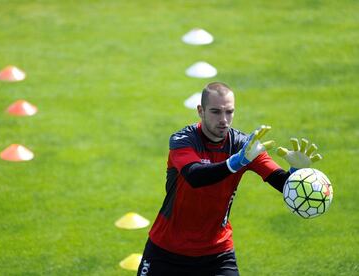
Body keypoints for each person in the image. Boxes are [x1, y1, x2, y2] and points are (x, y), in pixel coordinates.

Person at [137, 82, 322, 276]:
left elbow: (282, 184)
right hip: (166, 250)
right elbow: (195, 176)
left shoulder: (244, 146)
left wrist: (296, 174)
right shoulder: (183, 140)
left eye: (229, 112)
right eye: (216, 112)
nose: (224, 120)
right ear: (201, 111)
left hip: (217, 253)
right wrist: (236, 162)